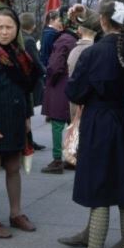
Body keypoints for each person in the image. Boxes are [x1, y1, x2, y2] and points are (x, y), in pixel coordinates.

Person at [60, 0, 124, 248]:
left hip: (99, 124)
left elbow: (75, 92)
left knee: (100, 194)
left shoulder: (93, 53)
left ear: (104, 22)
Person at [0, 8, 40, 238]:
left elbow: (26, 90)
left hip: (16, 119)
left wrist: (27, 118)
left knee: (14, 167)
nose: (4, 32)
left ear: (16, 29)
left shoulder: (20, 53)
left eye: (9, 27)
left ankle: (16, 214)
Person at [40, 11, 78, 174]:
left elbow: (55, 66)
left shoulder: (63, 40)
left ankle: (57, 160)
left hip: (60, 86)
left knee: (57, 124)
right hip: (71, 86)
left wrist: (50, 78)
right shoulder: (74, 40)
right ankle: (71, 157)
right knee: (71, 124)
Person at [19, 12, 47, 151]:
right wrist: (45, 71)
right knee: (27, 113)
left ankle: (28, 141)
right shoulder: (29, 40)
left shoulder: (20, 37)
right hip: (29, 81)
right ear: (33, 25)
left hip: (23, 80)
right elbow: (35, 61)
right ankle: (28, 142)